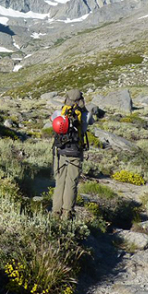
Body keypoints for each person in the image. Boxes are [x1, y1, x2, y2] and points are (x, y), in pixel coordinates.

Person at [50, 89, 94, 220]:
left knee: (60, 183)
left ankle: (55, 212)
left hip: (61, 153)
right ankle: (67, 213)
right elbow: (91, 122)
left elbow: (52, 120)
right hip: (76, 153)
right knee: (71, 183)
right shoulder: (86, 115)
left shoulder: (59, 113)